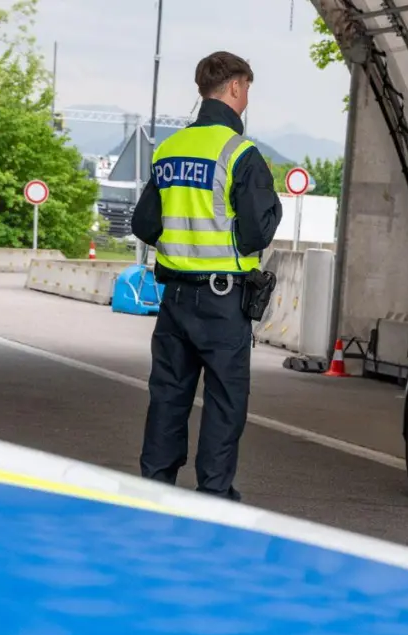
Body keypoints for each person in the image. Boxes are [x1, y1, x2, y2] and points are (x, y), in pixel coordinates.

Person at [133, 51, 282, 501]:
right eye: (247, 89)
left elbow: (144, 224)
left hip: (175, 298)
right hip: (223, 302)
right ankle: (212, 499)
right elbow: (258, 230)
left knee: (167, 398)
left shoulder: (169, 148)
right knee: (223, 403)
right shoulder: (240, 153)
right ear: (235, 87)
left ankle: (155, 492)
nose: (247, 98)